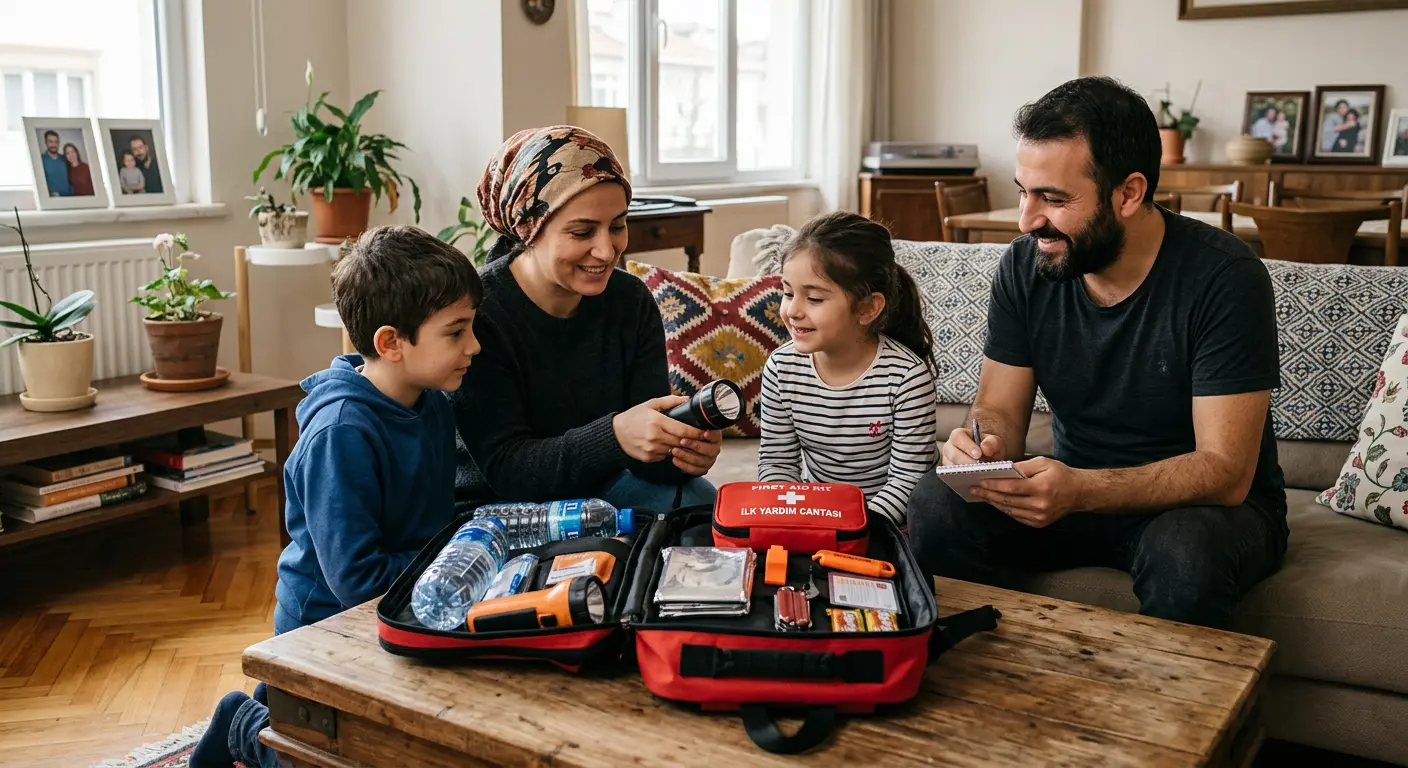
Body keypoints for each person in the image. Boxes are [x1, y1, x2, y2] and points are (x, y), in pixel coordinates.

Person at [906, 76, 1288, 631]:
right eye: (1023, 191)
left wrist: (1080, 488)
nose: (1026, 220)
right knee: (938, 504)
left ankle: (1170, 718)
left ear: (1128, 194)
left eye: (1054, 199)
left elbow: (1225, 472)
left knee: (1185, 551)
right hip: (1073, 492)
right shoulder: (1025, 265)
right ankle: (985, 687)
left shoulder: (1225, 277)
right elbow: (1002, 414)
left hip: (1201, 509)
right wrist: (980, 449)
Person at [189, 226, 482, 768]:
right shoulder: (341, 433)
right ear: (391, 343)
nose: (474, 346)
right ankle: (246, 724)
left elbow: (436, 521)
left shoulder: (434, 403)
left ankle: (281, 711)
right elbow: (356, 580)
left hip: (399, 605)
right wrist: (456, 564)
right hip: (325, 626)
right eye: (456, 331)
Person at [452, 125, 722, 514]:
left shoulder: (630, 300)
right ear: (530, 229)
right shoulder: (477, 314)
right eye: (582, 232)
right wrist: (615, 437)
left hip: (606, 486)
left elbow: (648, 454)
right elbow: (508, 469)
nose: (606, 250)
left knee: (709, 509)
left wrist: (683, 450)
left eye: (617, 226)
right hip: (505, 507)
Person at [758, 211, 938, 525]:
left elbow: (908, 479)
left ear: (867, 308)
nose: (793, 310)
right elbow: (777, 464)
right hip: (819, 520)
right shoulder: (780, 368)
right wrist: (788, 517)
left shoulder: (907, 378)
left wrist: (853, 527)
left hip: (887, 525)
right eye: (788, 293)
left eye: (813, 298)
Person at [39, 130, 72, 197]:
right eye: (50, 142)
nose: (54, 145)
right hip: (53, 202)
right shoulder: (41, 160)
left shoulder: (64, 158)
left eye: (56, 142)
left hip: (70, 199)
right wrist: (49, 194)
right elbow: (40, 183)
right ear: (46, 142)